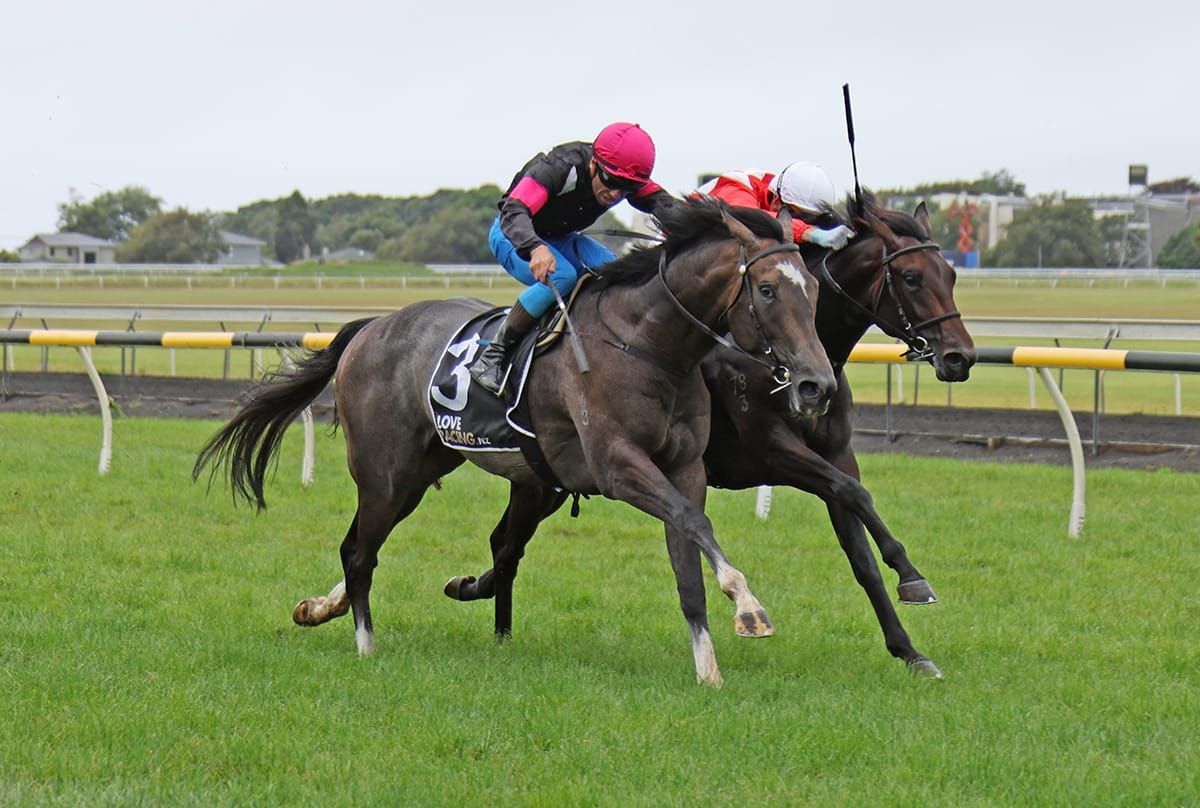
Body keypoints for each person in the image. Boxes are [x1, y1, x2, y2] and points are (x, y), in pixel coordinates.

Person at [470, 122, 675, 395]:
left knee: (616, 270)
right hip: (513, 234)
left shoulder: (620, 175)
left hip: (561, 238)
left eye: (626, 189)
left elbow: (671, 209)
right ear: (594, 166)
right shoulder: (559, 167)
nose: (615, 195)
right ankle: (493, 356)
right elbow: (514, 210)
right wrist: (535, 247)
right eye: (612, 183)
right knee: (563, 275)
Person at [695, 161, 855, 249]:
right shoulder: (739, 186)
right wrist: (810, 233)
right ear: (777, 202)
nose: (802, 221)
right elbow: (750, 217)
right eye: (795, 214)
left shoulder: (779, 188)